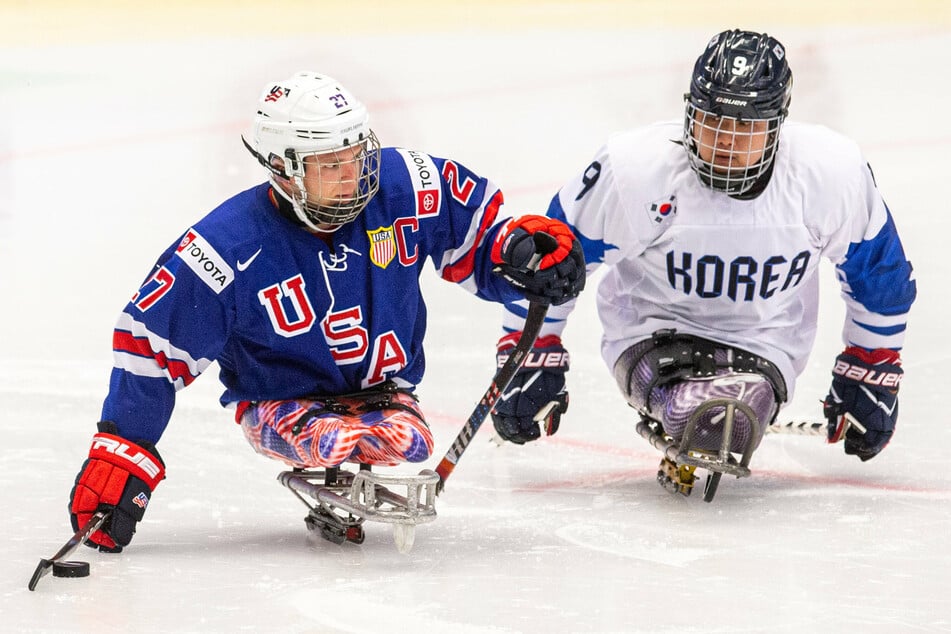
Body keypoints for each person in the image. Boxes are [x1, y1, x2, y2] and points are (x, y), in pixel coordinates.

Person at [68, 71, 585, 551]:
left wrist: (519, 252)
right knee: (333, 440)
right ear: (284, 169)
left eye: (358, 156)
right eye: (331, 166)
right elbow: (152, 347)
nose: (355, 177)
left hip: (385, 394)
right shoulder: (225, 249)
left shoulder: (406, 185)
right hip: (283, 403)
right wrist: (122, 450)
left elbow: (478, 235)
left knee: (407, 440)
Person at [490, 30, 916, 475]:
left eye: (745, 126)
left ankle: (718, 409)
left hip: (764, 344)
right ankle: (704, 408)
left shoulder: (830, 175)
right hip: (651, 333)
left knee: (734, 405)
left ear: (777, 125)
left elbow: (880, 278)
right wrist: (530, 353)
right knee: (721, 410)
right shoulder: (634, 171)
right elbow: (548, 262)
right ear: (689, 112)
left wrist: (869, 366)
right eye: (713, 120)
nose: (725, 140)